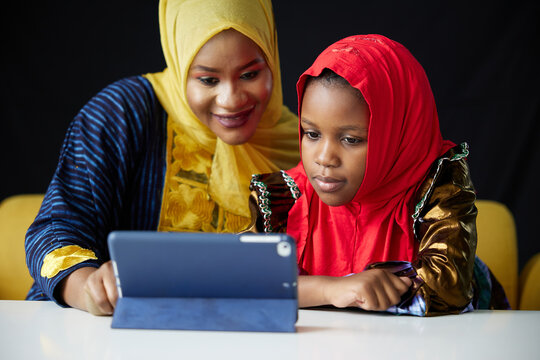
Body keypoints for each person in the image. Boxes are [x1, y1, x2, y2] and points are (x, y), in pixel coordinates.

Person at [25, 0, 299, 316]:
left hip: (241, 337)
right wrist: (89, 285)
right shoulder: (123, 114)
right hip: (102, 332)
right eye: (208, 80)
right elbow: (54, 230)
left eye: (250, 74)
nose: (231, 99)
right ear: (180, 62)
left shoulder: (303, 145)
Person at [248, 34, 509, 316]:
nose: (324, 158)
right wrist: (332, 289)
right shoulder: (285, 200)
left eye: (351, 139)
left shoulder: (436, 190)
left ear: (396, 135)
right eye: (312, 134)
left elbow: (446, 291)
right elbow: (241, 283)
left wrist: (301, 291)